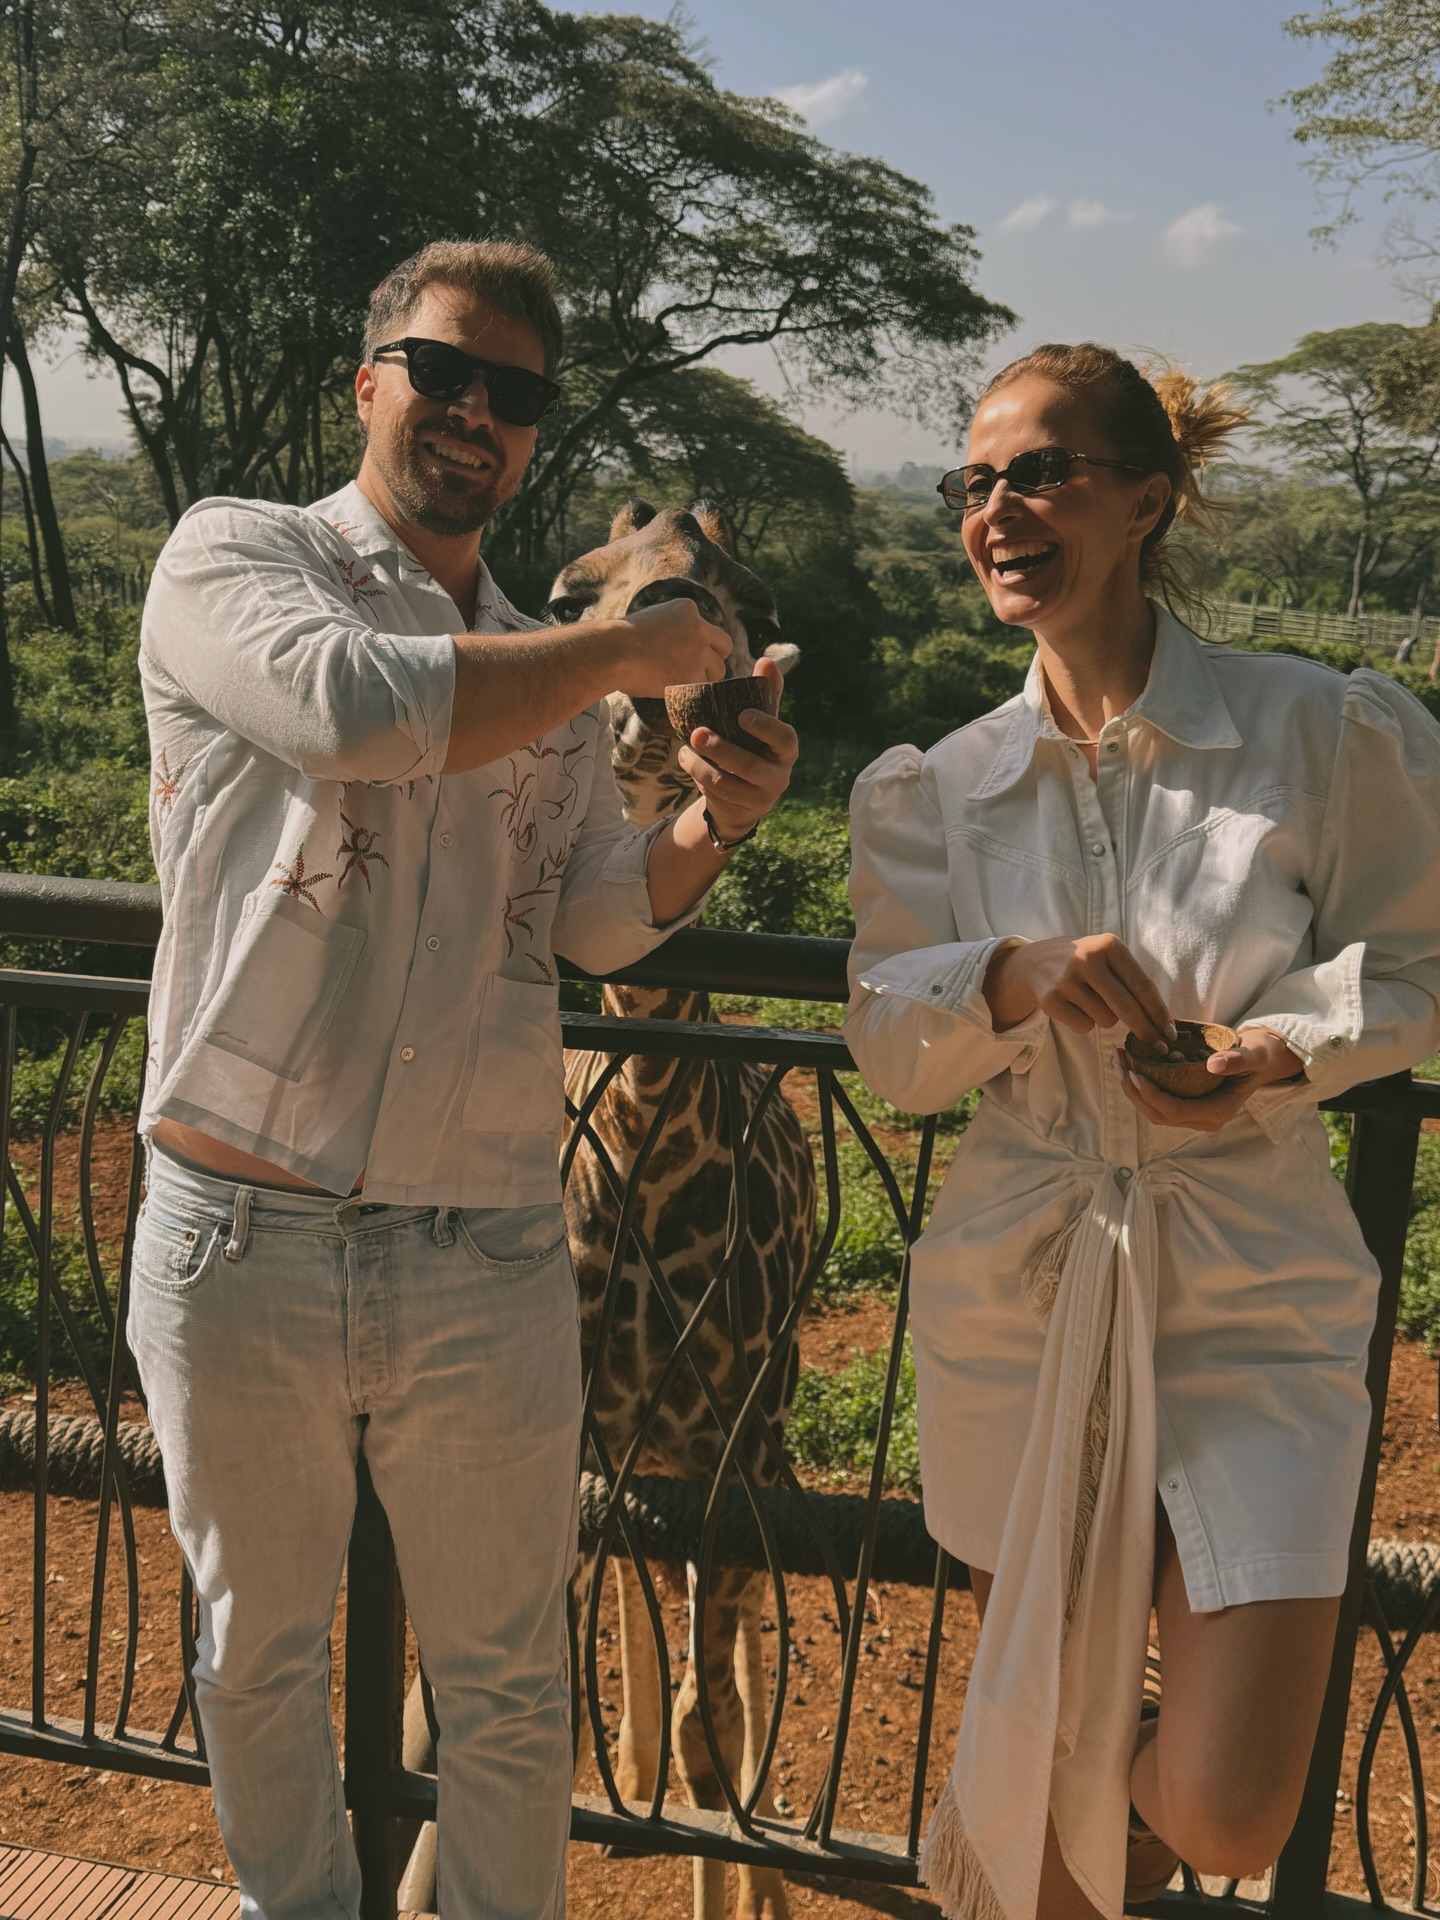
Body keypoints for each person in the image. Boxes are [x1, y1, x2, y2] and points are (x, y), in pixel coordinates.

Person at [130, 239, 798, 1920]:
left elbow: (583, 923)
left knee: (510, 1681)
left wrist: (715, 822)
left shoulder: (547, 668)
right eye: (446, 372)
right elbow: (358, 711)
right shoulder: (238, 561)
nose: (477, 413)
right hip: (244, 1231)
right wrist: (620, 651)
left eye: (515, 394)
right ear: (373, 382)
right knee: (257, 1651)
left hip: (484, 1247)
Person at [844, 343, 1440, 1920]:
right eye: (976, 483)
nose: (997, 510)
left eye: (1037, 474)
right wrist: (1010, 976)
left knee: (1233, 1814)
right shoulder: (941, 788)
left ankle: (1026, 1782)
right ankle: (1026, 1802)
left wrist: (1278, 1051)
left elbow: (1424, 956)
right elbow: (892, 1046)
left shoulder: (1320, 734)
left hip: (1252, 1289)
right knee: (1046, 1788)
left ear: (1146, 499)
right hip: (1024, 1298)